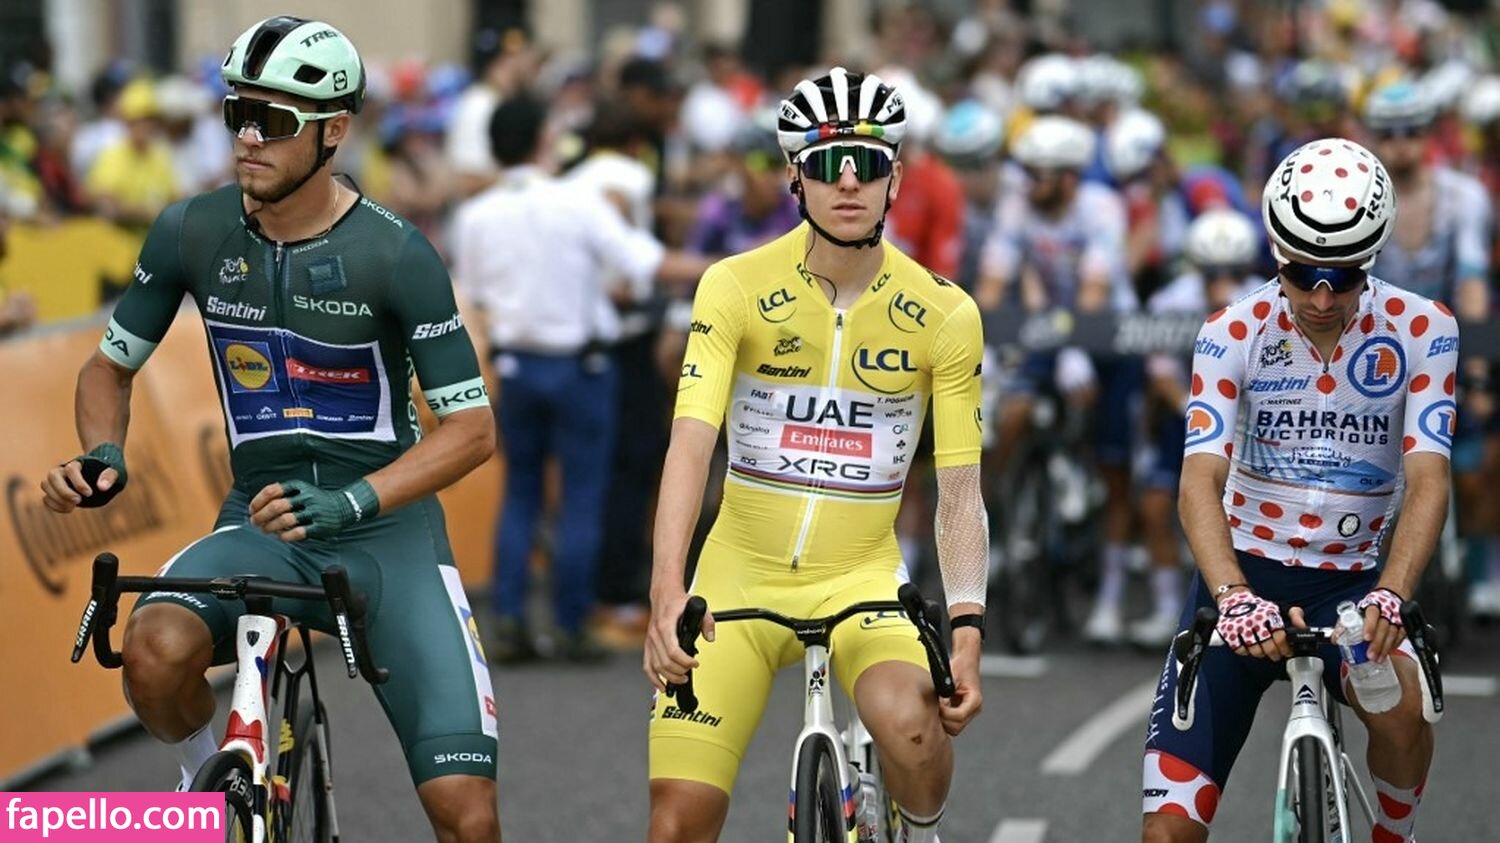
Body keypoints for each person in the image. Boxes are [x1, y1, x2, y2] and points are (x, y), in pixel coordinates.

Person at [38, 18, 502, 842]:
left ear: (334, 131)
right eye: (237, 114)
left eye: (274, 119)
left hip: (385, 534)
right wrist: (103, 451)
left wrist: (352, 501)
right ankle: (209, 790)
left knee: (465, 812)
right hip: (260, 520)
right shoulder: (190, 230)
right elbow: (107, 368)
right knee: (152, 650)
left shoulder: (397, 254)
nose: (248, 137)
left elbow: (470, 429)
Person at [644, 67, 987, 843]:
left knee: (913, 727)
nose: (848, 182)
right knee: (675, 822)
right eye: (827, 164)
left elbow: (961, 490)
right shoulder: (732, 285)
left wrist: (967, 630)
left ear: (896, 177)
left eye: (868, 163)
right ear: (795, 176)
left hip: (863, 578)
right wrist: (667, 590)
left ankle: (918, 829)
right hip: (737, 575)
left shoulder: (945, 312)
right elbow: (690, 444)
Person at [1141, 138, 1456, 843]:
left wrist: (1392, 594)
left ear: (1369, 260)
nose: (1320, 297)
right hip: (1244, 583)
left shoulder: (1424, 329)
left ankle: (1392, 834)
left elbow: (1429, 477)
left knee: (1402, 713)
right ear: (1276, 253)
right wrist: (1231, 595)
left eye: (1341, 278)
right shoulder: (1230, 331)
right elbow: (1199, 480)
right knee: (1166, 835)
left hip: (1354, 588)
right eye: (1300, 274)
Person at [450, 94, 709, 664]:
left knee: (520, 493)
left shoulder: (475, 215)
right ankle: (570, 623)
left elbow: (476, 295)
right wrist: (736, 263)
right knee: (582, 495)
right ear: (545, 140)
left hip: (516, 364)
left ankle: (510, 620)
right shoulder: (577, 201)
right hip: (582, 366)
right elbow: (646, 262)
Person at [1130, 209, 1262, 648]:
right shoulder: (1169, 301)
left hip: (1247, 421)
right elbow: (1160, 372)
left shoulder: (1264, 300)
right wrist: (1194, 410)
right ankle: (1166, 605)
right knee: (1154, 503)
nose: (1221, 280)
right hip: (1183, 414)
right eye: (1212, 272)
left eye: (1232, 272)